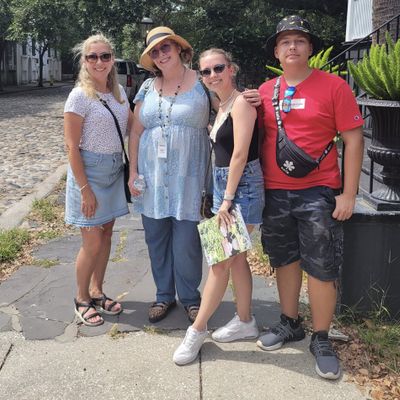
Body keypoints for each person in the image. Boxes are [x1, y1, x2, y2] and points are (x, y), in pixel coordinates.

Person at [256, 15, 364, 380]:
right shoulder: (265, 91)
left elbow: (353, 140)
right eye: (285, 41)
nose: (292, 46)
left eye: (299, 40)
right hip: (275, 192)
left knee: (321, 267)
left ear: (309, 48)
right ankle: (290, 323)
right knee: (285, 260)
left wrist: (349, 193)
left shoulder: (334, 87)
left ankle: (321, 338)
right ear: (276, 51)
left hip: (318, 192)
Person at [129, 28, 260, 325]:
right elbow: (136, 131)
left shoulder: (202, 82)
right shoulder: (147, 87)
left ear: (179, 49)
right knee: (155, 237)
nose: (161, 54)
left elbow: (228, 104)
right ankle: (163, 295)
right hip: (152, 177)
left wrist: (250, 96)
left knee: (187, 240)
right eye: (155, 51)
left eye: (166, 47)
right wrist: (133, 170)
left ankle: (190, 298)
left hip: (190, 177)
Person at [173, 48, 264, 365]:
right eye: (206, 71)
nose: (213, 75)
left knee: (219, 261)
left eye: (218, 68)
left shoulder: (241, 104)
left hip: (241, 189)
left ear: (231, 69)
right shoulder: (222, 104)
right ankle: (246, 321)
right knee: (236, 260)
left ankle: (196, 331)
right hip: (226, 187)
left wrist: (226, 199)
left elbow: (240, 154)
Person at [64, 34, 131, 326]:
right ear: (84, 61)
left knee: (106, 236)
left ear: (112, 59)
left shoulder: (118, 92)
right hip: (89, 173)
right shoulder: (79, 96)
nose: (99, 61)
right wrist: (84, 189)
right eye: (92, 56)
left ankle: (97, 291)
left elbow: (133, 126)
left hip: (113, 171)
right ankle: (81, 298)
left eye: (105, 56)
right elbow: (71, 147)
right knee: (91, 241)